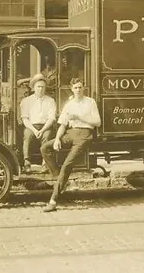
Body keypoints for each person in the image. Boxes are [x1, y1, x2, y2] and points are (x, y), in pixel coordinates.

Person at [41, 78, 101, 212]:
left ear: (83, 88)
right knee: (45, 147)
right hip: (71, 133)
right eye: (75, 88)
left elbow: (97, 122)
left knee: (67, 165)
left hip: (85, 134)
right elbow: (63, 124)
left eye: (80, 87)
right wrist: (57, 139)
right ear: (72, 89)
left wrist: (80, 117)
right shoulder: (69, 104)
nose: (78, 90)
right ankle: (59, 179)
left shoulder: (90, 102)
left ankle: (53, 201)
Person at [20, 73, 57, 173]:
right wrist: (34, 130)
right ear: (33, 88)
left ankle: (45, 164)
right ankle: (27, 162)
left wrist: (43, 130)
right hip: (31, 127)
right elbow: (25, 119)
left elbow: (51, 119)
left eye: (42, 87)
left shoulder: (50, 101)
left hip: (46, 126)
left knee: (47, 136)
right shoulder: (26, 101)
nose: (40, 89)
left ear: (45, 88)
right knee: (27, 135)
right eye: (38, 86)